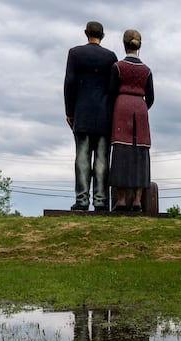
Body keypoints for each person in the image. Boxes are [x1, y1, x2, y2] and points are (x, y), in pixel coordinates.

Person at [64, 21, 117, 211]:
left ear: (86, 33)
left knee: (82, 157)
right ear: (103, 36)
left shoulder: (75, 53)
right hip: (104, 114)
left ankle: (82, 200)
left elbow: (69, 83)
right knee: (102, 158)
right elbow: (113, 88)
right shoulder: (110, 57)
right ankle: (101, 201)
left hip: (82, 112)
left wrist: (69, 111)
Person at [109, 29, 154, 212]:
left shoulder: (117, 67)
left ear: (124, 44)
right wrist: (141, 107)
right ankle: (137, 200)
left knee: (121, 151)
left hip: (121, 108)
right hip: (141, 109)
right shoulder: (147, 70)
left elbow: (111, 93)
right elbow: (150, 97)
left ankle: (120, 200)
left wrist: (119, 105)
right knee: (140, 153)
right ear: (139, 45)